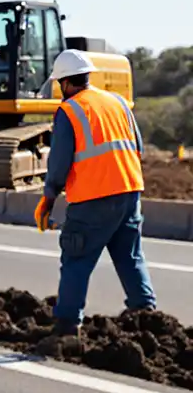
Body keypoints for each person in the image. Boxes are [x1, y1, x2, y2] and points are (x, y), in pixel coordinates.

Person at [34, 49, 156, 340]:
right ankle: (146, 315)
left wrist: (48, 198)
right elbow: (136, 146)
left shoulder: (69, 110)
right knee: (130, 256)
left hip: (92, 199)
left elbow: (60, 161)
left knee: (77, 258)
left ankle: (66, 327)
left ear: (64, 83)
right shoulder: (117, 102)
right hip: (129, 190)